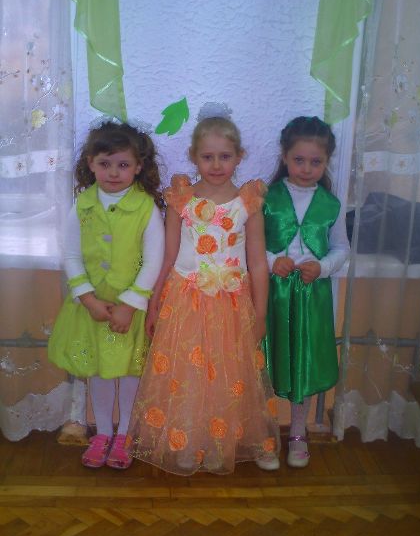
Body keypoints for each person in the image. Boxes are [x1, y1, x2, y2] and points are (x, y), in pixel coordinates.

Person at [127, 103, 280, 475]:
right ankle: (189, 441)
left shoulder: (248, 203)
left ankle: (235, 441)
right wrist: (153, 303)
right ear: (194, 156)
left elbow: (259, 263)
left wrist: (261, 314)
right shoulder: (181, 199)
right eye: (207, 156)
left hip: (233, 305)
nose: (216, 164)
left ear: (239, 156)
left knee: (234, 375)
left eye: (225, 156)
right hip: (185, 302)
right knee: (188, 374)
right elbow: (167, 256)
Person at [48, 120, 165, 470]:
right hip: (92, 309)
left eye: (123, 164)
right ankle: (102, 432)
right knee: (98, 371)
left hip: (130, 310)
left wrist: (130, 304)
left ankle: (125, 433)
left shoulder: (146, 207)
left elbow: (154, 261)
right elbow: (71, 255)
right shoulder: (82, 205)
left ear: (138, 167)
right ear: (91, 163)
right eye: (105, 163)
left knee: (128, 373)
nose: (114, 172)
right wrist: (88, 299)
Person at [263, 116, 350, 468]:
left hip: (312, 296)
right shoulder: (265, 198)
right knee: (266, 359)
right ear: (285, 156)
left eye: (316, 161)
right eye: (299, 160)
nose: (307, 168)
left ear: (326, 162)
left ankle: (298, 431)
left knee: (303, 361)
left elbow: (341, 247)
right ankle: (265, 431)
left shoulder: (331, 204)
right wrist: (272, 261)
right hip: (272, 294)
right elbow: (246, 245)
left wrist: (323, 267)